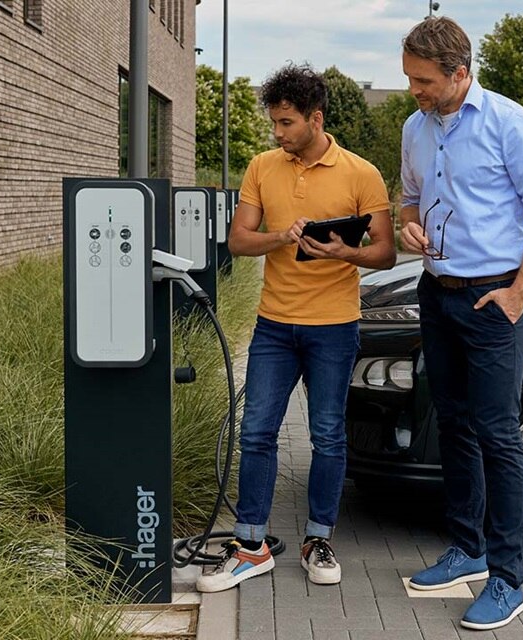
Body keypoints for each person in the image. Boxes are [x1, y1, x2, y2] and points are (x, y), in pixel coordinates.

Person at [196, 63, 396, 593]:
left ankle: (318, 539)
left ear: (315, 118)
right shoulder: (263, 166)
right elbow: (239, 241)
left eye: (286, 123)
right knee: (258, 431)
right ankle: (251, 545)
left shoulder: (361, 173)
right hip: (274, 326)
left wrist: (342, 251)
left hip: (334, 326)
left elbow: (385, 252)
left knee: (328, 436)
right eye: (274, 123)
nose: (277, 133)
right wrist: (282, 237)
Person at [397, 17, 523, 630]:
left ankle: (507, 578)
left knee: (498, 434)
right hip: (437, 294)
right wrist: (408, 223)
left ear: (459, 73)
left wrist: (519, 293)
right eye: (408, 77)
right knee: (456, 425)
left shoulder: (508, 122)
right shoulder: (416, 128)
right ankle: (466, 550)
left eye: (422, 79)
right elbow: (409, 196)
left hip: (494, 300)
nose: (413, 89)